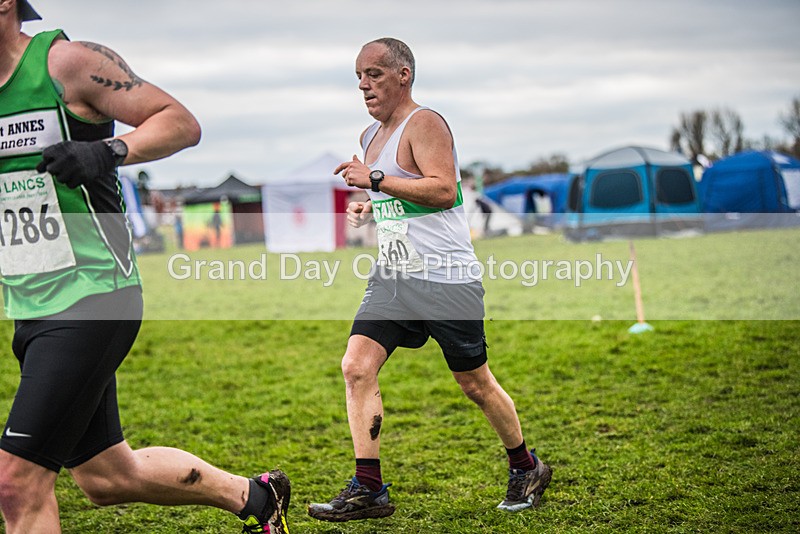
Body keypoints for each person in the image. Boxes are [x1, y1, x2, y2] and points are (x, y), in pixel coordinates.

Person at [0, 2, 289, 533]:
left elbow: (180, 122)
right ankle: (255, 497)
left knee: (17, 480)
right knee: (107, 476)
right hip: (29, 304)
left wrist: (109, 151)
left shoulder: (67, 64)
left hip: (94, 296)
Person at [307, 37, 551, 523]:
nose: (363, 84)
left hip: (447, 280)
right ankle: (368, 488)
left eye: (374, 74)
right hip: (394, 278)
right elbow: (401, 195)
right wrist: (371, 208)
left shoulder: (427, 123)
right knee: (356, 366)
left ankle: (526, 465)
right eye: (358, 75)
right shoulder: (369, 137)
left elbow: (441, 190)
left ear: (404, 75)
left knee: (474, 383)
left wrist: (374, 182)